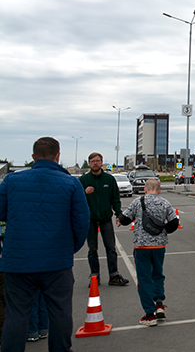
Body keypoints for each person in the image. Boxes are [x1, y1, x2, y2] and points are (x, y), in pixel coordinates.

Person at [0, 136, 90, 352]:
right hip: (56, 262)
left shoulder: (11, 181)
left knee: (16, 314)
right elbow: (81, 221)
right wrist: (71, 247)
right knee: (60, 313)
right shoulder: (71, 183)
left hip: (17, 261)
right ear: (58, 156)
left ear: (33, 157)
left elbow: (2, 213)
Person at [118, 178, 178, 326]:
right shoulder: (165, 203)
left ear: (145, 189)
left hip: (142, 247)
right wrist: (163, 230)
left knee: (144, 279)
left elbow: (125, 219)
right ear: (159, 190)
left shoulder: (138, 202)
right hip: (159, 247)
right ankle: (159, 303)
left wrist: (119, 218)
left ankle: (149, 314)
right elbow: (174, 223)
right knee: (158, 274)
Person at [80, 152, 130, 286]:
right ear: (89, 163)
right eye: (92, 161)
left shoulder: (109, 179)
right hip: (90, 219)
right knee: (92, 249)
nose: (95, 163)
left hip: (105, 218)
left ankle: (114, 275)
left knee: (111, 248)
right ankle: (94, 276)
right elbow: (76, 199)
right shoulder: (84, 180)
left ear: (102, 162)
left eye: (97, 161)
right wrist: (84, 193)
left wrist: (118, 214)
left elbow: (115, 198)